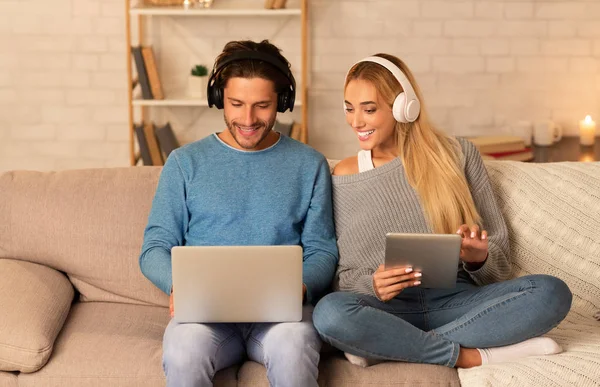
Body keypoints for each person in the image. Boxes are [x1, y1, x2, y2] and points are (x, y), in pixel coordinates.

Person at [312, 54, 572, 369]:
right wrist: (373, 284)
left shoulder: (459, 155)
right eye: (349, 109)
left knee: (550, 292)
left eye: (369, 110)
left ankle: (392, 345)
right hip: (386, 309)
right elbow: (344, 277)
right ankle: (467, 356)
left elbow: (500, 259)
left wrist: (479, 258)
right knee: (329, 313)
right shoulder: (345, 175)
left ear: (403, 107)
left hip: (459, 302)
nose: (356, 122)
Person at [139, 40, 338, 387]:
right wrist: (178, 287)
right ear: (219, 99)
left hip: (279, 319)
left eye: (262, 105)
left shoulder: (309, 165)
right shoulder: (184, 163)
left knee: (294, 347)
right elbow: (155, 246)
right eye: (236, 104)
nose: (248, 119)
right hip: (205, 318)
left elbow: (322, 249)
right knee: (184, 352)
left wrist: (300, 285)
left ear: (283, 102)